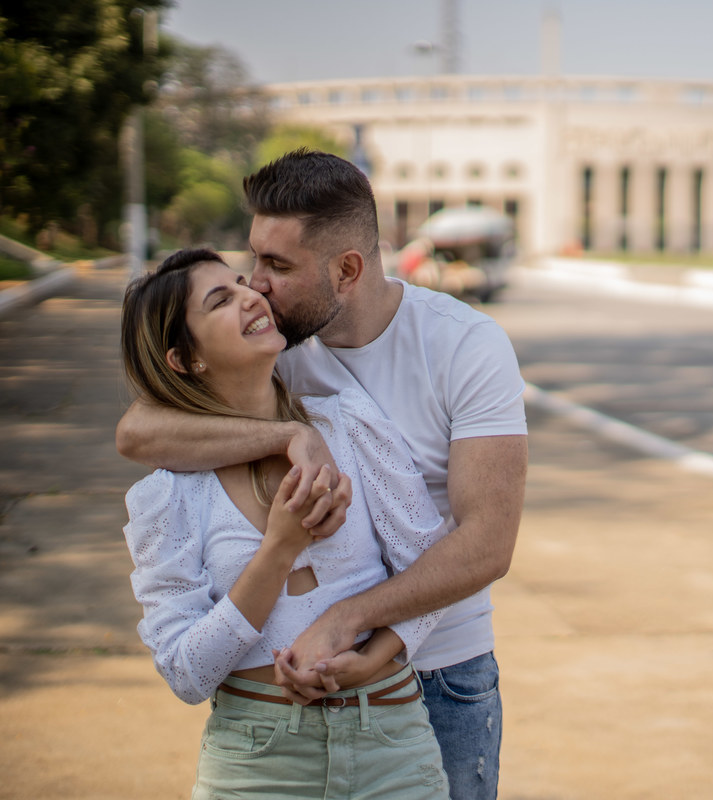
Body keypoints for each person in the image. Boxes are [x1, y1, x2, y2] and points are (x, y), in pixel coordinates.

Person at [115, 149, 528, 800]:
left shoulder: (464, 346)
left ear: (347, 270)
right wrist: (291, 434)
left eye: (277, 266)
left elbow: (487, 543)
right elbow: (138, 430)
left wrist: (355, 626)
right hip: (279, 722)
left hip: (442, 669)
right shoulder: (274, 346)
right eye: (253, 261)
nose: (258, 285)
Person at [120, 248, 451, 798]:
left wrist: (372, 658)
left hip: (392, 743)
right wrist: (277, 548)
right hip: (258, 762)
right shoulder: (167, 494)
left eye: (242, 282)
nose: (252, 295)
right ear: (184, 359)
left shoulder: (349, 422)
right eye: (221, 299)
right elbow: (186, 673)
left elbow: (429, 571)